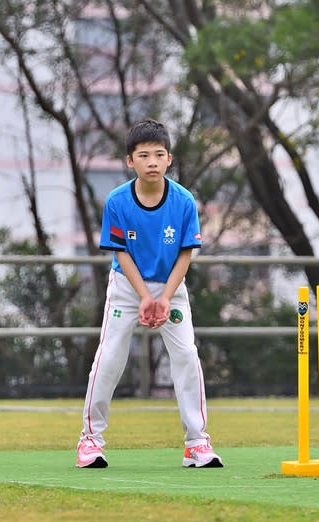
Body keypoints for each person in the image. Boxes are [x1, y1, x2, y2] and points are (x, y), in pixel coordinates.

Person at [76, 119, 222, 469]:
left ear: (169, 159)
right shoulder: (117, 202)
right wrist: (144, 296)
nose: (152, 162)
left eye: (159, 154)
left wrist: (165, 297)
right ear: (130, 161)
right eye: (144, 155)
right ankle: (91, 441)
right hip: (128, 288)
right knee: (110, 356)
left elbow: (186, 253)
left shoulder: (184, 201)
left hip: (172, 286)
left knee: (187, 354)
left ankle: (197, 443)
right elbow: (120, 252)